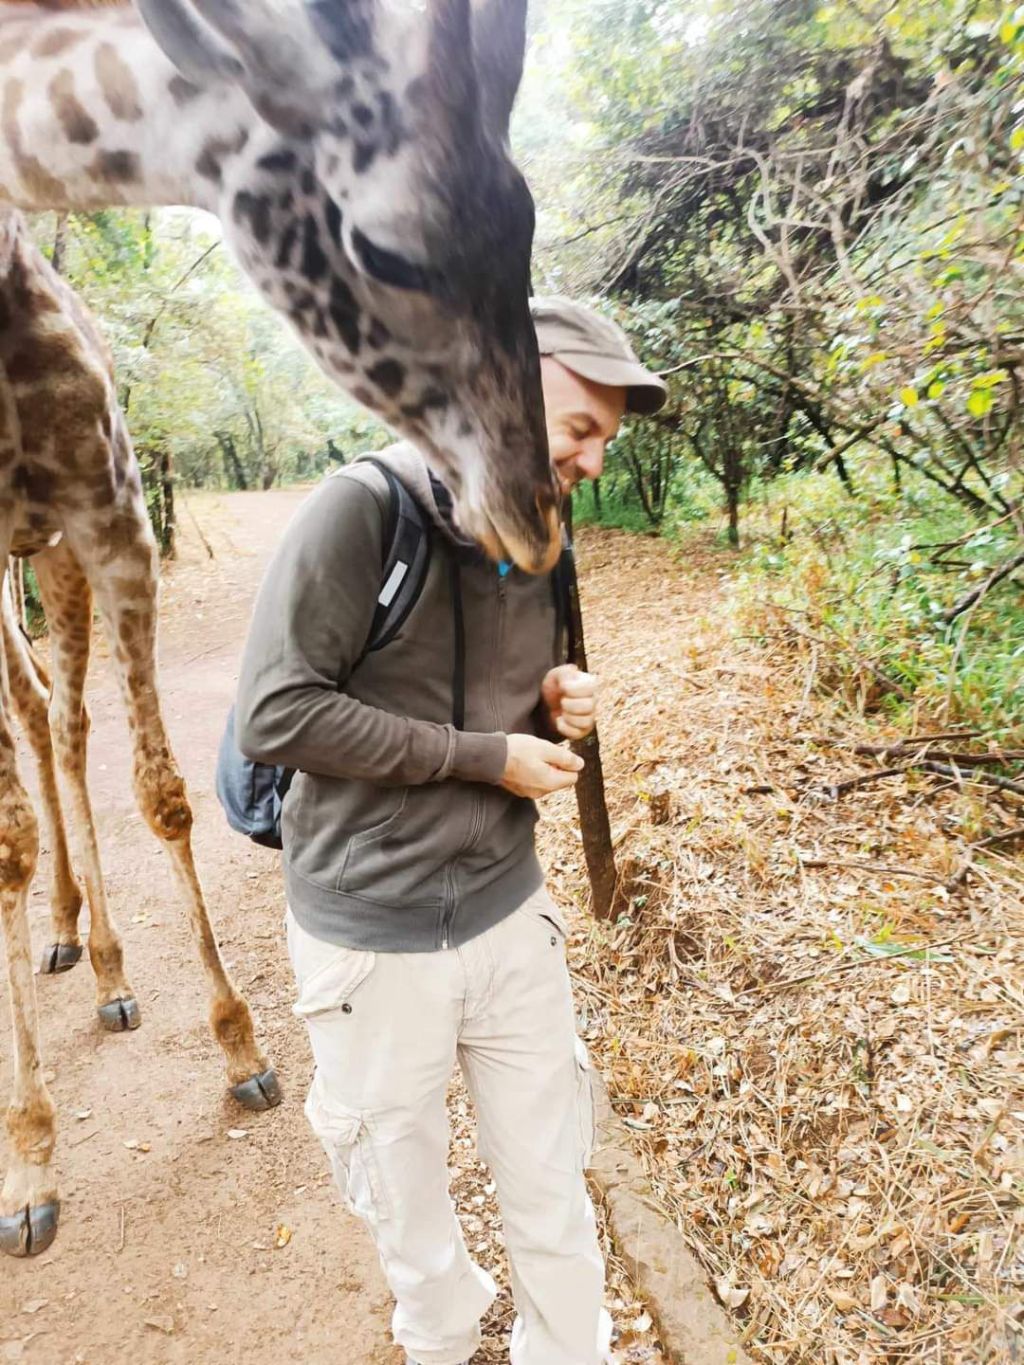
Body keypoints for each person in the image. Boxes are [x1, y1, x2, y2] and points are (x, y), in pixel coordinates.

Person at [234, 297, 666, 1365]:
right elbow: (276, 713)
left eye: (607, 438)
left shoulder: (545, 530)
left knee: (552, 1187)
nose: (595, 460)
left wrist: (557, 700)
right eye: (581, 429)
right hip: (371, 940)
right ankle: (439, 1338)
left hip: (511, 917)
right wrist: (484, 756)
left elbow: (524, 688)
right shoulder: (359, 510)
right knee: (407, 1202)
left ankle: (568, 1350)